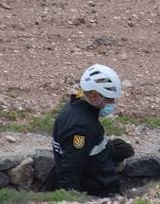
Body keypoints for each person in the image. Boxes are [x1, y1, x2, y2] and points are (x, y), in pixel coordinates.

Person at [50, 64, 134, 196]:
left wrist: (111, 149)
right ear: (95, 96)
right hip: (94, 193)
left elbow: (87, 151)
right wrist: (73, 202)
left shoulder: (76, 108)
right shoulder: (81, 128)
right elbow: (70, 169)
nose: (112, 103)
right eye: (109, 99)